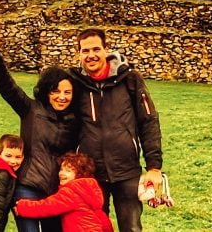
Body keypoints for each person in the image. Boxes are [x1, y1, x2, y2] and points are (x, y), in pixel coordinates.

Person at [0, 27, 80, 232]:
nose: (62, 97)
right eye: (56, 91)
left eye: (67, 92)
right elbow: (8, 89)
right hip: (27, 186)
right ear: (47, 92)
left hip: (57, 191)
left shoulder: (75, 121)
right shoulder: (31, 109)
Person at [68, 28, 162, 232]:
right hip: (90, 173)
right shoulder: (75, 83)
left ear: (106, 49)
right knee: (92, 228)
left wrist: (154, 167)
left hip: (126, 171)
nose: (91, 55)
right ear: (79, 54)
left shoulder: (129, 79)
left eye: (96, 49)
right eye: (85, 51)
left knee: (131, 228)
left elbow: (149, 121)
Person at [15, 152, 114, 232]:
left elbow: (47, 207)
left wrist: (22, 206)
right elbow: (102, 218)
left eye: (68, 170)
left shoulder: (71, 191)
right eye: (61, 169)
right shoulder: (89, 190)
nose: (61, 173)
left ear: (80, 174)